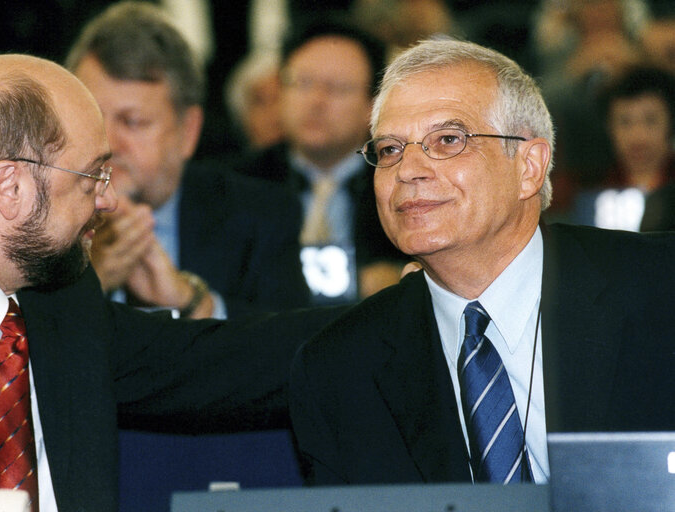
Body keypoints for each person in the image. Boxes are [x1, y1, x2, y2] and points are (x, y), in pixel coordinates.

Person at [0, 52, 342, 511]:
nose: (107, 199)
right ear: (10, 187)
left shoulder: (60, 302)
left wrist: (402, 313)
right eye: (93, 175)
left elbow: (224, 360)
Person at [288, 38, 675, 487]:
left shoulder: (660, 287)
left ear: (529, 166)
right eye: (390, 149)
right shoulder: (338, 369)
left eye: (448, 140)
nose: (408, 169)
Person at [64, 1, 309, 319]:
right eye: (92, 118)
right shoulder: (36, 213)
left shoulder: (260, 217)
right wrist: (84, 286)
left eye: (133, 122)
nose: (107, 144)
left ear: (188, 131)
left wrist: (194, 303)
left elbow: (294, 346)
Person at [233, 17, 407, 303]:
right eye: (303, 83)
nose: (316, 101)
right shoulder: (237, 182)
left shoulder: (402, 179)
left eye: (338, 88)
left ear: (374, 104)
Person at [567, 66, 675, 230]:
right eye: (625, 122)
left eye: (650, 120)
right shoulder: (589, 189)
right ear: (608, 127)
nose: (638, 136)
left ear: (671, 124)